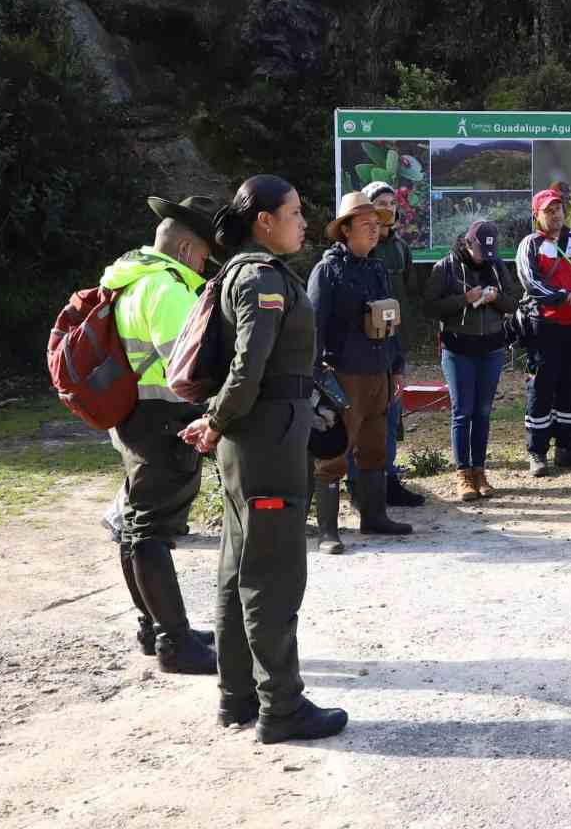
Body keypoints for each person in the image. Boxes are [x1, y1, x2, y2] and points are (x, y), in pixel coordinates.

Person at [178, 176, 347, 745]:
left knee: (238, 568)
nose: (304, 221)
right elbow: (250, 369)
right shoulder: (259, 278)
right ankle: (282, 707)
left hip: (255, 440)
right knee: (271, 574)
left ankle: (238, 696)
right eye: (295, 212)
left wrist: (221, 421)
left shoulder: (243, 272)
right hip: (265, 442)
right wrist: (218, 418)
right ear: (264, 222)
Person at [105, 194, 220, 673]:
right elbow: (189, 367)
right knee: (150, 531)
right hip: (165, 422)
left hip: (135, 416)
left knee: (135, 528)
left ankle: (156, 628)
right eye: (206, 255)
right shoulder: (169, 289)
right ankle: (175, 642)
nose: (207, 264)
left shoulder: (131, 280)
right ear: (190, 250)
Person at [306, 191, 413, 548]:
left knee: (375, 448)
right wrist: (317, 379)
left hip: (378, 373)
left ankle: (374, 517)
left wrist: (396, 367)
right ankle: (328, 531)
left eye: (376, 225)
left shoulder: (377, 268)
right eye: (365, 225)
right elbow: (314, 330)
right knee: (334, 452)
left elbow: (390, 321)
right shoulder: (326, 271)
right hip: (342, 375)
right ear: (345, 230)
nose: (373, 231)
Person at [425, 218, 516, 500]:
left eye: (490, 253)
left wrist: (496, 298)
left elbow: (514, 302)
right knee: (463, 411)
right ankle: (463, 474)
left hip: (491, 348)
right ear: (467, 243)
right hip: (458, 349)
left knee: (483, 412)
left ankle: (480, 470)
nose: (484, 258)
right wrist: (464, 299)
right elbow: (430, 307)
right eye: (480, 252)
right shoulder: (445, 267)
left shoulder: (497, 265)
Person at [513, 187, 571, 477]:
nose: (556, 214)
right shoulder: (530, 244)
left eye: (559, 209)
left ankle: (567, 449)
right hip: (544, 327)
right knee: (541, 388)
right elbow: (531, 283)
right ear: (537, 215)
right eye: (549, 210)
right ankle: (537, 453)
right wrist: (567, 297)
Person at [360, 179, 426, 510]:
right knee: (367, 417)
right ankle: (364, 484)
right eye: (380, 203)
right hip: (363, 348)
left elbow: (408, 294)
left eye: (391, 203)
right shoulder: (362, 248)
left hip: (395, 346)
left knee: (392, 415)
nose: (387, 208)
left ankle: (388, 480)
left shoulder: (401, 248)